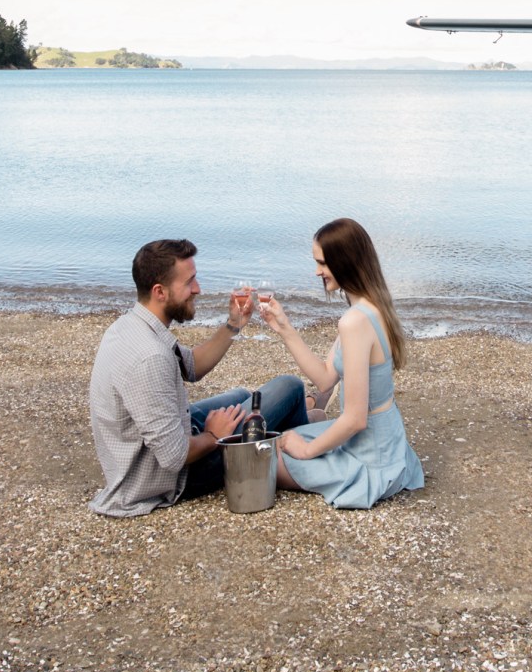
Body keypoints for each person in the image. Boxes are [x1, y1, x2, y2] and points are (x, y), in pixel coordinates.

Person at [87, 238, 307, 517]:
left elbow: (191, 366)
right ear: (160, 292)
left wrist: (234, 325)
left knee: (241, 396)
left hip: (162, 440)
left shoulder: (132, 325)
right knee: (290, 386)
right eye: (189, 282)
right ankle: (302, 457)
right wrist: (214, 435)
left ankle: (291, 429)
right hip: (170, 479)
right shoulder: (149, 357)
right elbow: (175, 458)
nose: (198, 289)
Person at [255, 218, 425, 509]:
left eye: (322, 263)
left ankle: (318, 444)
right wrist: (284, 328)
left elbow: (356, 419)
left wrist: (308, 451)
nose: (317, 271)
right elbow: (325, 379)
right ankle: (313, 426)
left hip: (370, 456)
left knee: (262, 460)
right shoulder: (370, 306)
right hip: (383, 442)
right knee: (280, 440)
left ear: (344, 261)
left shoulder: (355, 321)